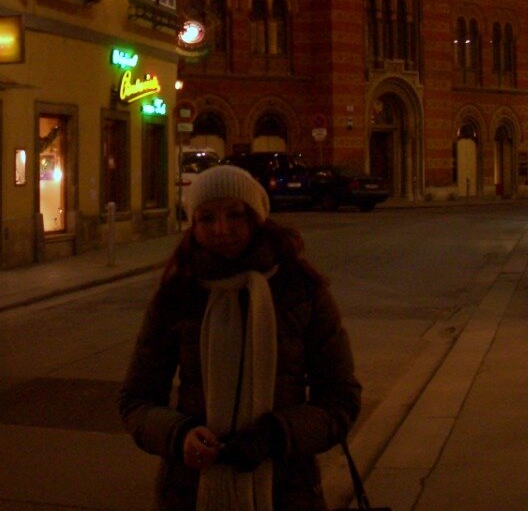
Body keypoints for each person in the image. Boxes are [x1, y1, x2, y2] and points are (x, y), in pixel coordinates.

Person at [119, 164, 361, 511]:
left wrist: (277, 435)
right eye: (207, 218)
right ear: (193, 225)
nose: (222, 229)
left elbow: (341, 400)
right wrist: (179, 435)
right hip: (191, 490)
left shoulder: (300, 290)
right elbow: (136, 400)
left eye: (235, 215)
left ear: (256, 217)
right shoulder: (178, 294)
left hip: (287, 490)